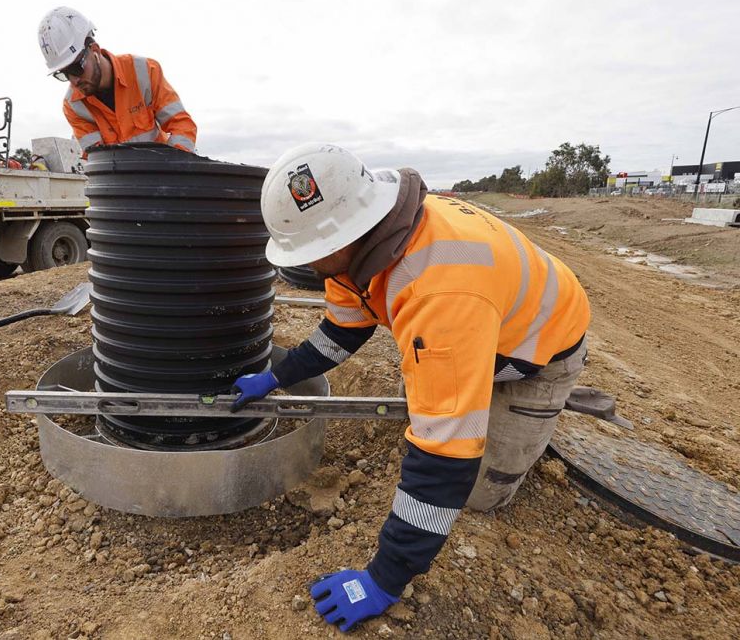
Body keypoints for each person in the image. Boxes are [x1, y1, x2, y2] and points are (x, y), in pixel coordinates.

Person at [230, 143, 591, 633]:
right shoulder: (362, 246)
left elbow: (445, 457)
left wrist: (384, 578)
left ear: (344, 237)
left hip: (540, 349)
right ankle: (471, 391)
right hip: (481, 325)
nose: (307, 267)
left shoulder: (438, 295)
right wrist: (276, 376)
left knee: (478, 495)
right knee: (442, 391)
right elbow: (343, 330)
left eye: (311, 255)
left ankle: (542, 409)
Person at [37, 6, 197, 157]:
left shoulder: (145, 72)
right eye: (64, 74)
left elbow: (182, 125)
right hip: (119, 181)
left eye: (76, 68)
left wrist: (173, 168)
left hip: (160, 172)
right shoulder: (73, 106)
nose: (74, 81)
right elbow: (98, 159)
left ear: (95, 51)